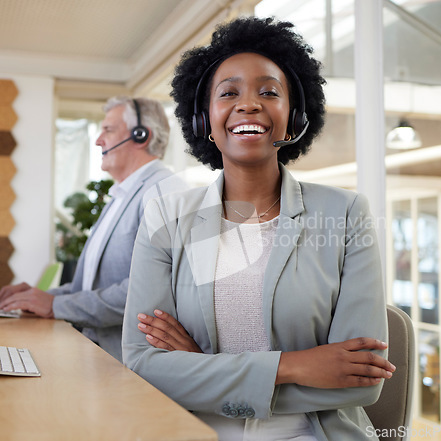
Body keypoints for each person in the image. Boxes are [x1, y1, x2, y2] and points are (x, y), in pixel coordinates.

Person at [122, 17, 395, 441]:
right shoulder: (165, 218)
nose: (248, 104)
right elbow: (142, 365)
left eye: (269, 92)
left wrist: (201, 367)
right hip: (193, 430)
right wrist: (296, 365)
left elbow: (362, 378)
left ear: (294, 118)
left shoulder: (346, 214)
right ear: (203, 121)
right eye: (228, 92)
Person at [0, 96, 187, 362]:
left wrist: (55, 305)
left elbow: (147, 291)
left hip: (130, 365)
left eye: (108, 130)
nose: (98, 140)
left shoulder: (164, 192)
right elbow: (91, 286)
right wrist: (37, 297)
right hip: (98, 353)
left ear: (141, 135)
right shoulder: (122, 195)